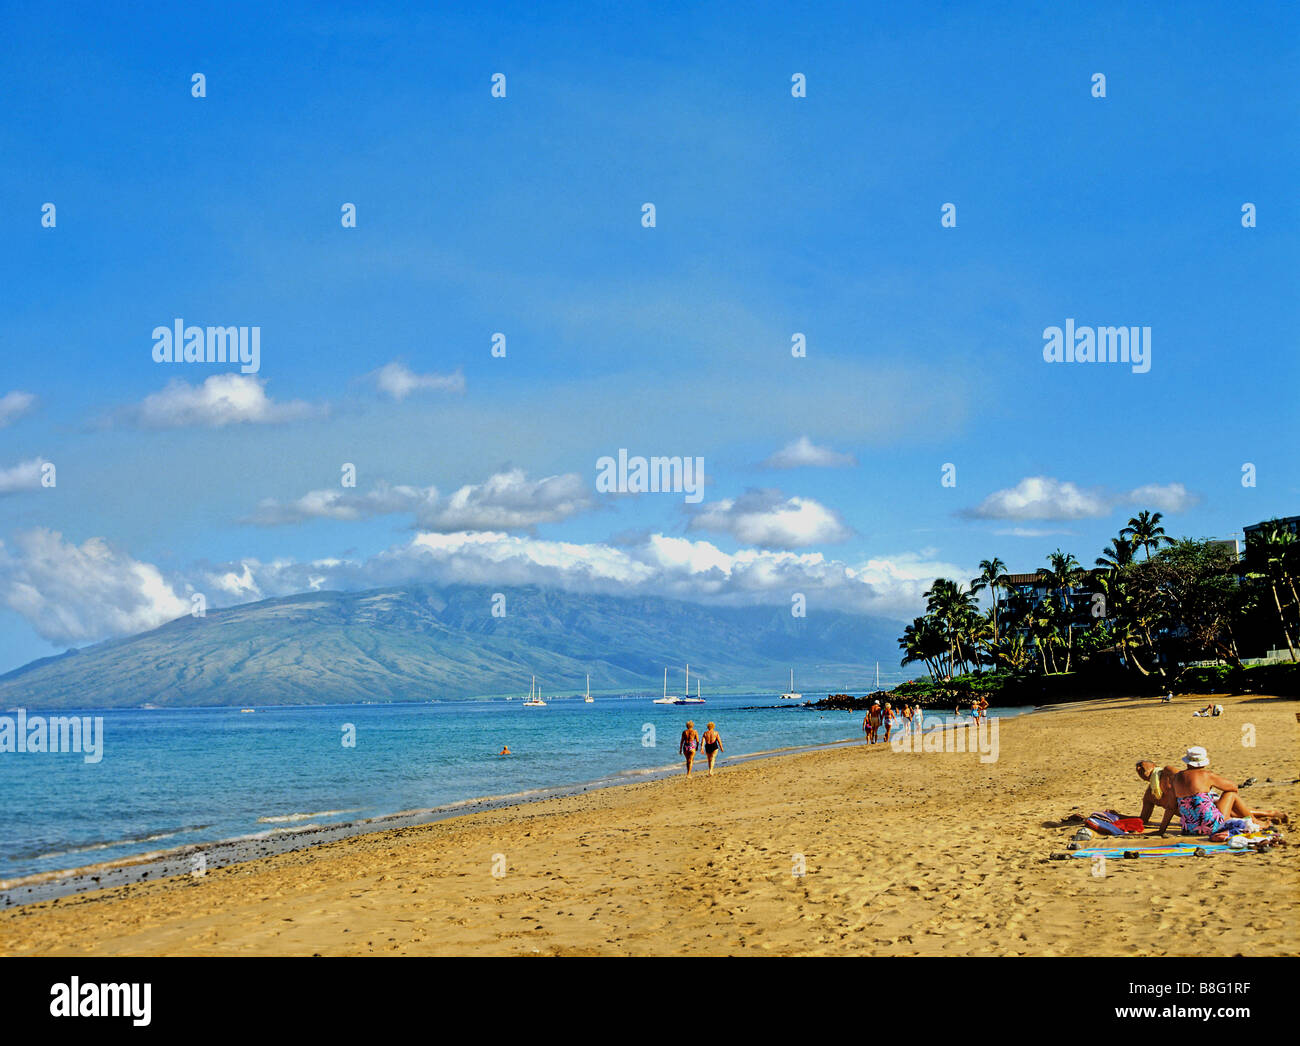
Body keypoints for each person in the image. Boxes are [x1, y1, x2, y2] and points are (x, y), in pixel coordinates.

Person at [1170, 747, 1287, 838]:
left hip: (1189, 828)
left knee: (1211, 804)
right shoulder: (1206, 775)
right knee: (1230, 794)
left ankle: (1260, 817)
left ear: (1187, 762)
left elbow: (1174, 804)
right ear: (1203, 762)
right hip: (1213, 826)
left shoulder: (1176, 778)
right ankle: (1255, 821)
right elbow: (1233, 787)